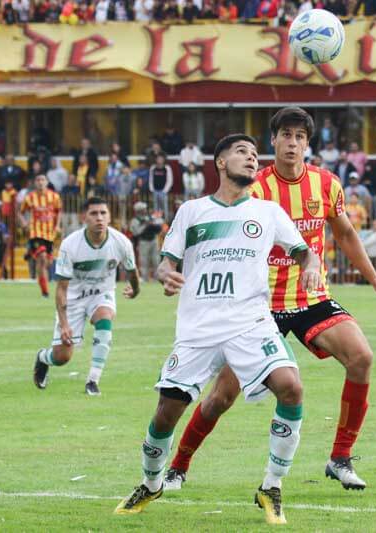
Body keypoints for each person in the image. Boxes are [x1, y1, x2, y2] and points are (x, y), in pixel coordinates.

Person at [163, 107, 376, 494]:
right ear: (272, 140)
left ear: (308, 144)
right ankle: (177, 465)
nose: (292, 143)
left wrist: (375, 280)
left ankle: (340, 458)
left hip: (310, 298)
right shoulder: (252, 186)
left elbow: (344, 235)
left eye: (300, 137)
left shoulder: (326, 184)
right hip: (257, 307)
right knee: (222, 396)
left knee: (362, 357)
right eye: (285, 136)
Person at [114, 134, 319, 525]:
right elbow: (165, 263)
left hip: (250, 322)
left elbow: (303, 250)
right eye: (242, 152)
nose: (252, 158)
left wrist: (309, 264)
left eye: (255, 154)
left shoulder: (268, 212)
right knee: (165, 414)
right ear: (220, 162)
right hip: (199, 327)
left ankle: (271, 486)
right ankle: (152, 482)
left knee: (291, 386)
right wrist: (167, 275)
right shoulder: (192, 211)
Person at [32, 197, 139, 396]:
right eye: (94, 213)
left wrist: (136, 290)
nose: (99, 218)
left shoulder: (121, 242)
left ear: (109, 216)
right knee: (62, 357)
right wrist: (64, 324)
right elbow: (61, 289)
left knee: (105, 318)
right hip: (73, 299)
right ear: (83, 217)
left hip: (101, 294)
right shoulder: (70, 245)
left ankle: (92, 381)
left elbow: (132, 272)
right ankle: (43, 357)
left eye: (103, 213)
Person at [19, 174, 62, 298]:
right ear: (34, 183)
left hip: (50, 234)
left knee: (48, 262)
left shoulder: (54, 196)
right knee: (42, 258)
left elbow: (58, 211)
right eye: (38, 180)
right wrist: (24, 223)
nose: (40, 182)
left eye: (42, 180)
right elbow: (20, 212)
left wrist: (58, 225)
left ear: (47, 182)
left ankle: (30, 252)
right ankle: (45, 291)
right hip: (35, 232)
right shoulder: (30, 197)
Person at [129, 202, 163, 282]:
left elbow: (159, 228)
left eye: (145, 209)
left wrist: (153, 225)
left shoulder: (150, 218)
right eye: (143, 209)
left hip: (153, 240)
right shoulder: (135, 220)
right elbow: (136, 232)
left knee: (156, 260)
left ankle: (157, 278)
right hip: (143, 241)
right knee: (144, 261)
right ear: (138, 210)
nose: (145, 210)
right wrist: (146, 226)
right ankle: (144, 278)